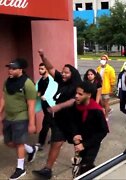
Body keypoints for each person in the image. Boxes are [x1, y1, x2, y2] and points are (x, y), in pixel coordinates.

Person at [32, 50, 82, 179]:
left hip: (73, 122)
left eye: (66, 73)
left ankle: (83, 164)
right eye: (63, 72)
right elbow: (50, 68)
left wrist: (59, 106)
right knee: (56, 143)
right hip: (60, 120)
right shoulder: (62, 80)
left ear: (73, 74)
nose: (63, 74)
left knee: (79, 144)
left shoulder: (77, 86)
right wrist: (43, 56)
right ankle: (47, 169)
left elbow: (73, 100)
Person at [0, 58, 38, 180]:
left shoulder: (28, 84)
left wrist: (32, 124)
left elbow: (31, 105)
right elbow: (3, 99)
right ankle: (31, 149)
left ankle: (20, 168)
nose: (10, 71)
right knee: (9, 142)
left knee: (19, 143)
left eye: (13, 68)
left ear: (20, 69)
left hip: (21, 116)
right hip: (9, 116)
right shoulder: (7, 82)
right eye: (9, 68)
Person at [72, 82, 109, 176]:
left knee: (86, 167)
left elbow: (103, 131)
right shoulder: (76, 107)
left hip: (92, 143)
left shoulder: (96, 110)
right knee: (79, 167)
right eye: (76, 93)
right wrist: (75, 134)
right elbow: (73, 123)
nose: (76, 96)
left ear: (88, 95)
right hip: (79, 142)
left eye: (80, 94)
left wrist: (85, 144)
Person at [35, 63, 58, 150]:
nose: (40, 70)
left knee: (46, 123)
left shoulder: (51, 81)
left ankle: (41, 142)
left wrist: (46, 96)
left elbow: (53, 91)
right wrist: (38, 94)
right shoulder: (40, 81)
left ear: (46, 69)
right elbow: (38, 91)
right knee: (52, 122)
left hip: (50, 104)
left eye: (42, 69)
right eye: (39, 68)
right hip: (44, 103)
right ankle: (55, 138)